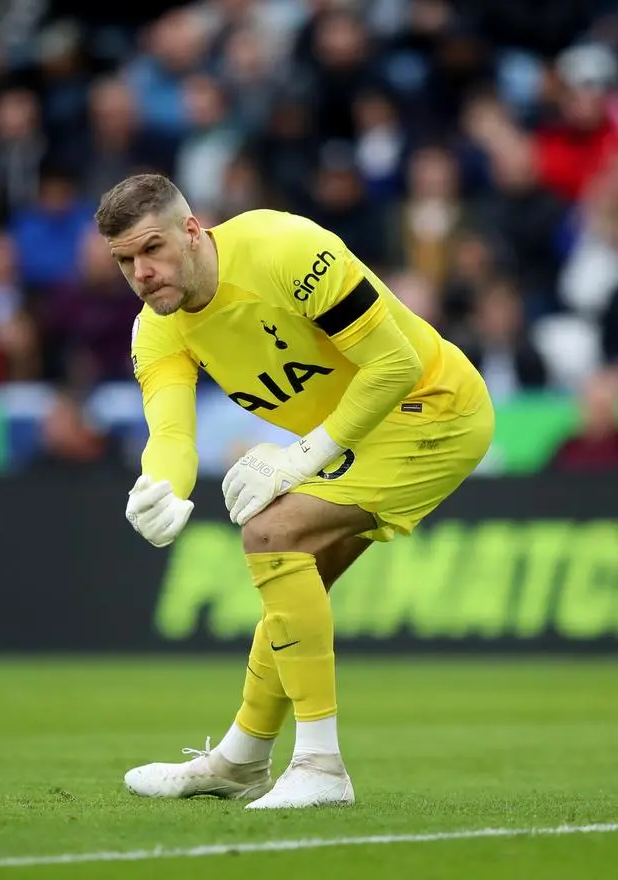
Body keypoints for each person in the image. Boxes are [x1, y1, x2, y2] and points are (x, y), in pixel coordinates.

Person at [97, 173, 495, 810]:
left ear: (192, 232)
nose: (141, 273)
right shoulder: (158, 329)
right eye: (124, 261)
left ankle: (319, 765)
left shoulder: (287, 251)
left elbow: (393, 366)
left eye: (152, 250)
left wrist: (299, 458)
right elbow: (171, 433)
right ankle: (241, 760)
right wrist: (159, 487)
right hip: (364, 432)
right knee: (292, 576)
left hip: (434, 407)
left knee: (271, 531)